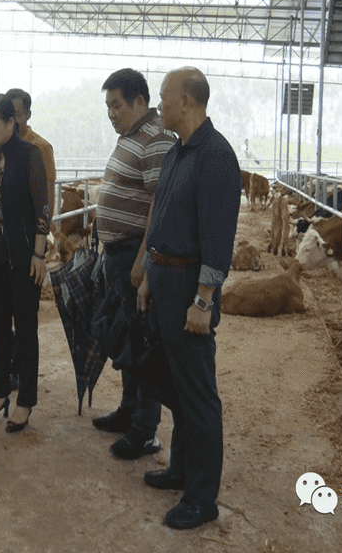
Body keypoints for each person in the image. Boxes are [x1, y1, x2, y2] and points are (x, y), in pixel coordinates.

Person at [136, 67, 241, 530]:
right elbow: (164, 218)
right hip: (165, 281)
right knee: (177, 387)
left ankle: (202, 498)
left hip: (188, 291)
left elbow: (218, 238)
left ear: (188, 102)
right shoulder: (180, 151)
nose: (159, 106)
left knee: (198, 394)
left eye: (163, 98)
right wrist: (147, 279)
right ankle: (180, 469)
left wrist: (203, 301)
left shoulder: (215, 156)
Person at [90, 68, 176, 461]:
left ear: (140, 102)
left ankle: (145, 430)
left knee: (142, 343)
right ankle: (128, 411)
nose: (111, 113)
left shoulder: (156, 139)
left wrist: (142, 261)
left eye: (117, 105)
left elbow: (159, 207)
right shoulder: (132, 136)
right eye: (108, 105)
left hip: (133, 257)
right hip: (117, 254)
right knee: (126, 338)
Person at [0, 94, 49, 433]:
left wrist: (38, 255)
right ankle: (0, 393)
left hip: (24, 259)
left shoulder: (30, 155)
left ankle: (25, 402)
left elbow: (41, 210)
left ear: (10, 123)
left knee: (27, 330)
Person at [3, 88, 56, 391]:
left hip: (29, 243)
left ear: (27, 115)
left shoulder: (40, 148)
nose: (14, 121)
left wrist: (40, 242)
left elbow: (46, 198)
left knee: (25, 310)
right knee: (3, 307)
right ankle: (7, 362)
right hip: (4, 244)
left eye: (18, 115)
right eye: (8, 115)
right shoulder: (1, 148)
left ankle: (22, 370)